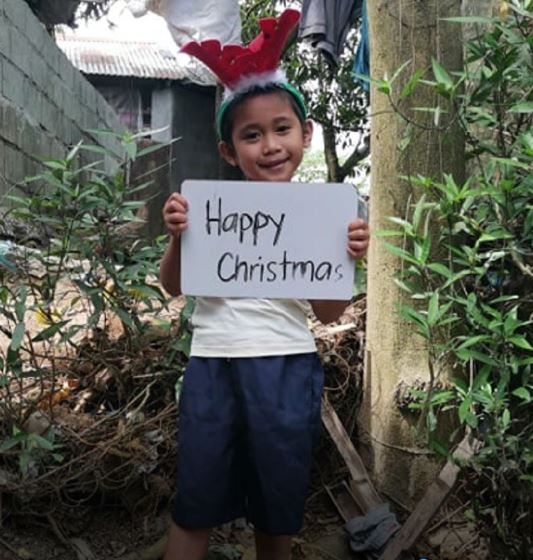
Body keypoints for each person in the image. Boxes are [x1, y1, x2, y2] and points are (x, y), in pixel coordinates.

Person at [159, 9, 369, 560]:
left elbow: (328, 312)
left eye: (282, 129)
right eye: (252, 135)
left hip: (286, 366)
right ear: (230, 151)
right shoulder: (205, 211)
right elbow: (172, 288)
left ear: (306, 134)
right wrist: (178, 236)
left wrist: (344, 256)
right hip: (213, 365)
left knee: (277, 503)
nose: (270, 145)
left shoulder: (323, 216)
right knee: (196, 497)